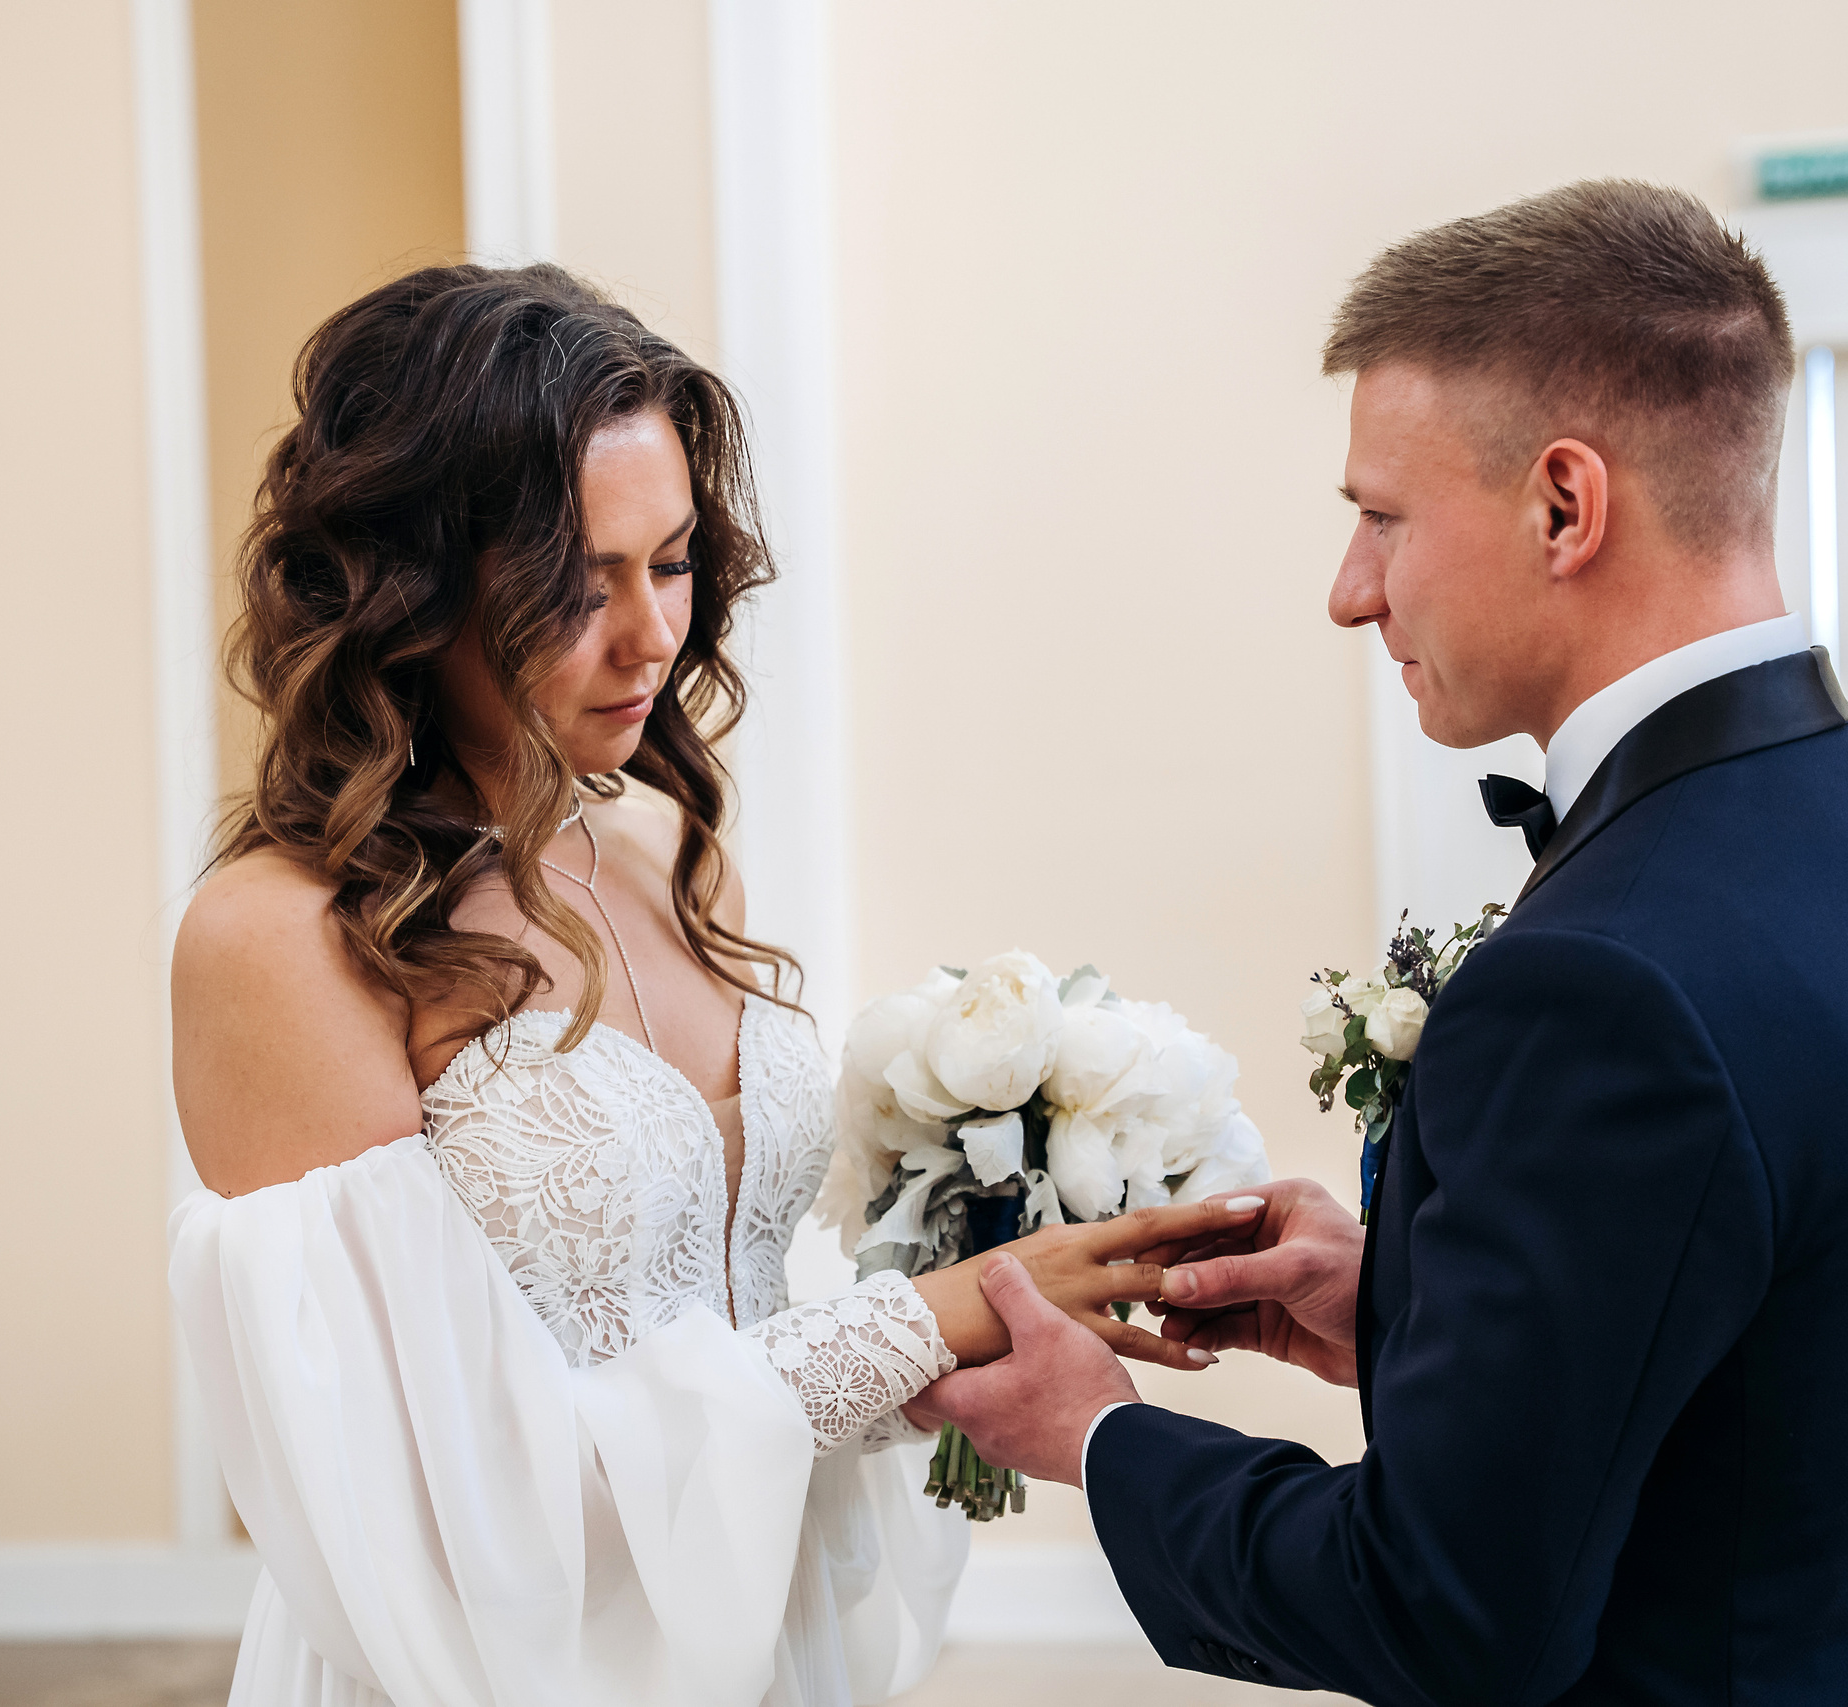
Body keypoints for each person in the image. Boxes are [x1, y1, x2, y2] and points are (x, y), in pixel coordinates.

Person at [913, 181, 1848, 1705]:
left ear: (1563, 506)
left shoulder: (1600, 983)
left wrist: (1101, 1436)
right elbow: (1791, 1370)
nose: (1350, 592)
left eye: (1382, 518)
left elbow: (1445, 1615)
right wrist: (1406, 1305)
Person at [165, 262, 1252, 1707]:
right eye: (576, 584)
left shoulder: (670, 851)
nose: (652, 636)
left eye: (670, 563)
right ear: (409, 593)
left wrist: (980, 1282)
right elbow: (430, 1508)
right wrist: (939, 1317)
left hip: (752, 1637)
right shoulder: (281, 938)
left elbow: (737, 1344)